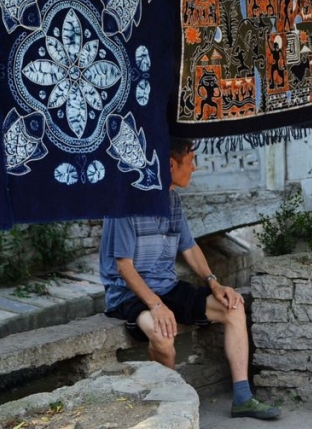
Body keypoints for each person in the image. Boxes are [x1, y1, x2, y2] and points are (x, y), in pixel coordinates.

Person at [100, 138, 280, 421]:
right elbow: (125, 268)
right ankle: (170, 414)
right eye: (190, 161)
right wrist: (156, 305)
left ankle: (244, 397)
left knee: (233, 307)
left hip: (166, 287)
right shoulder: (126, 203)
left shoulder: (171, 200)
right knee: (162, 334)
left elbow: (190, 247)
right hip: (130, 294)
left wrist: (214, 283)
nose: (194, 168)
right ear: (171, 164)